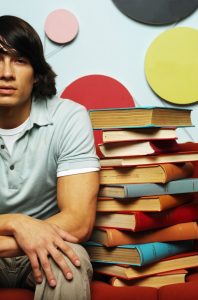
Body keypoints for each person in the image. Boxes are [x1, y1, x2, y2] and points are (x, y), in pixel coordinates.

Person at [0, 15, 100, 300]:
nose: (6, 73)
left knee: (68, 262)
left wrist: (33, 235)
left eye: (19, 60)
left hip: (50, 244)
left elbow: (79, 221)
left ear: (36, 71)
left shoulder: (69, 117)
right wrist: (17, 224)